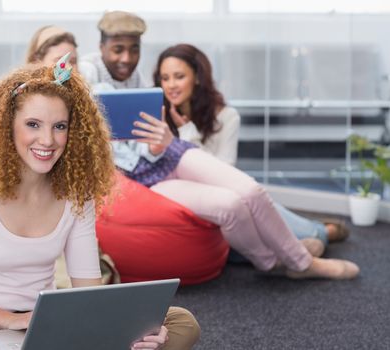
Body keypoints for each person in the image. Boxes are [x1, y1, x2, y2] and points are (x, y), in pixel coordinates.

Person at [0, 59, 200, 350]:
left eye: (60, 126)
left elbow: (88, 293)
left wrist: (128, 330)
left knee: (181, 323)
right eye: (33, 124)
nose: (47, 140)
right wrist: (9, 320)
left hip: (48, 321)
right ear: (7, 126)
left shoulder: (75, 192)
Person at [80, 11, 359, 279]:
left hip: (170, 152)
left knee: (250, 191)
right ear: (101, 46)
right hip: (145, 177)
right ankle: (270, 262)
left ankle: (301, 261)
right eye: (117, 49)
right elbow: (90, 93)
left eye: (134, 49)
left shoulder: (139, 81)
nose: (126, 58)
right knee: (230, 206)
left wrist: (158, 144)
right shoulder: (88, 71)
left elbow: (146, 133)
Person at [153, 43, 351, 255]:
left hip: (225, 196)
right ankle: (301, 245)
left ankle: (321, 231)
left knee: (253, 207)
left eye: (179, 76)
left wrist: (187, 132)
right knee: (249, 221)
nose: (171, 85)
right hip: (192, 200)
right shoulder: (159, 117)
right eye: (165, 78)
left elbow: (224, 172)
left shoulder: (226, 116)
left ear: (197, 77)